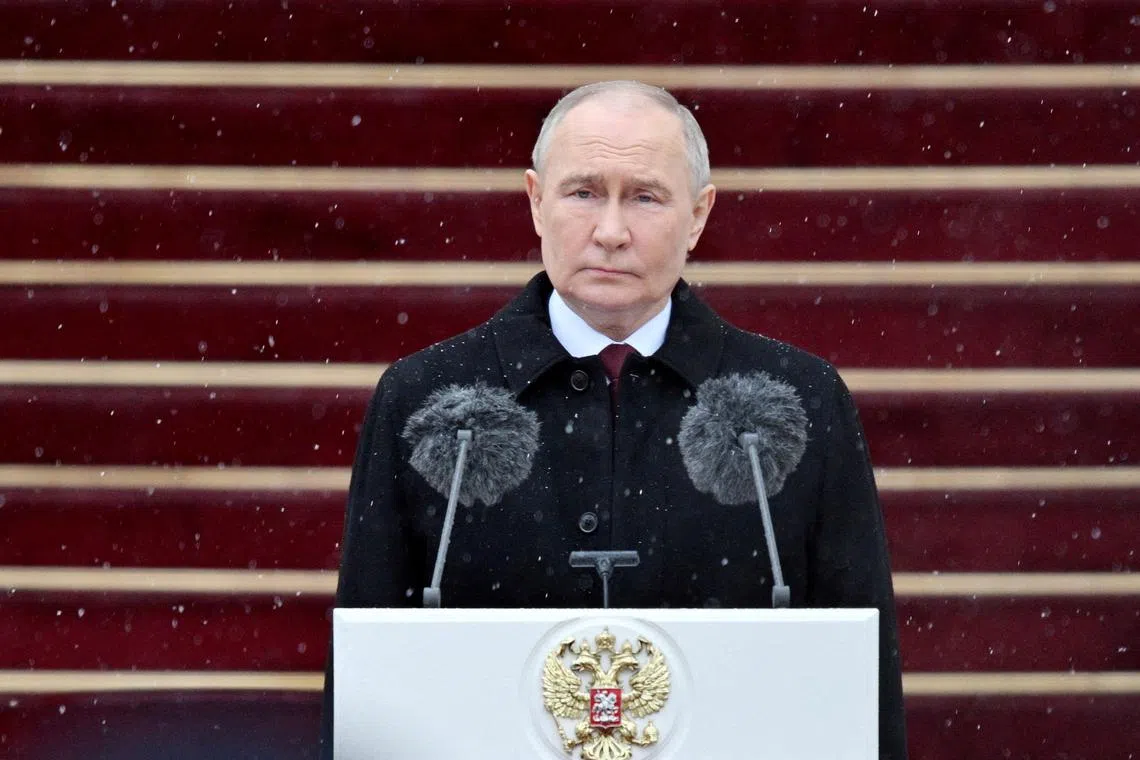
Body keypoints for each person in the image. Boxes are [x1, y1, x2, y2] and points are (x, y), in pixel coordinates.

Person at [319, 80, 907, 758]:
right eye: (583, 192)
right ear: (536, 202)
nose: (611, 232)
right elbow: (366, 677)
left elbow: (860, 681)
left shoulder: (799, 400)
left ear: (698, 214)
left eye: (646, 197)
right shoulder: (428, 398)